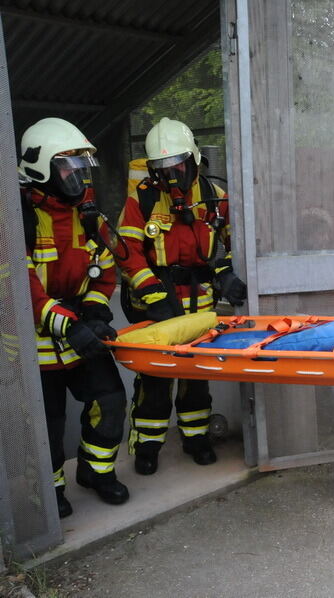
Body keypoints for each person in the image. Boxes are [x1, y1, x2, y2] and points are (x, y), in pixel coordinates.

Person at [115, 117, 247, 475]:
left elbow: (234, 245)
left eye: (177, 166)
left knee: (195, 374)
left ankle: (196, 438)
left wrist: (227, 274)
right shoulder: (141, 199)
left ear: (194, 160)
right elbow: (127, 252)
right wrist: (153, 293)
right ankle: (147, 445)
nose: (171, 176)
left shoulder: (215, 198)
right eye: (161, 169)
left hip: (199, 300)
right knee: (155, 377)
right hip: (155, 301)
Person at [19, 117, 129, 517]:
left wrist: (98, 309)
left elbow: (106, 267)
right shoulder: (15, 222)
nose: (78, 176)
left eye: (81, 167)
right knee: (47, 426)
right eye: (68, 167)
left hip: (82, 327)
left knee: (111, 400)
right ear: (41, 169)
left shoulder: (88, 215)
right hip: (37, 343)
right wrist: (70, 324)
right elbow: (20, 287)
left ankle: (96, 472)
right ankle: (52, 492)